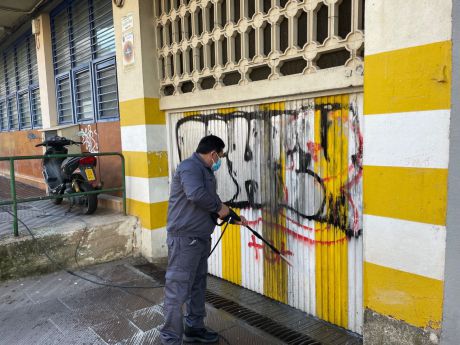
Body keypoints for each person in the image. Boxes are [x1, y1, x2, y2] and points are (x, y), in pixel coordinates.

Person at [160, 135, 247, 344]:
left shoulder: (205, 171)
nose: (220, 160)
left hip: (199, 238)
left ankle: (194, 328)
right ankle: (170, 339)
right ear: (213, 153)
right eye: (220, 156)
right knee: (177, 290)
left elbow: (211, 200)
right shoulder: (189, 167)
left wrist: (231, 216)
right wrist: (220, 209)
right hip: (184, 240)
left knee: (198, 286)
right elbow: (196, 195)